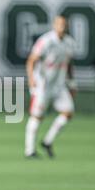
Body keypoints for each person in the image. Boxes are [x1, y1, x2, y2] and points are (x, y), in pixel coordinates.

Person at [25, 16, 77, 159]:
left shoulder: (70, 43)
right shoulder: (46, 41)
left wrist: (72, 83)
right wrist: (31, 79)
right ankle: (29, 151)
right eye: (59, 24)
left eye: (64, 24)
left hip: (59, 85)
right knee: (37, 116)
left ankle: (47, 141)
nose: (62, 27)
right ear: (54, 25)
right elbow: (31, 60)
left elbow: (69, 64)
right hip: (43, 84)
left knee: (68, 113)